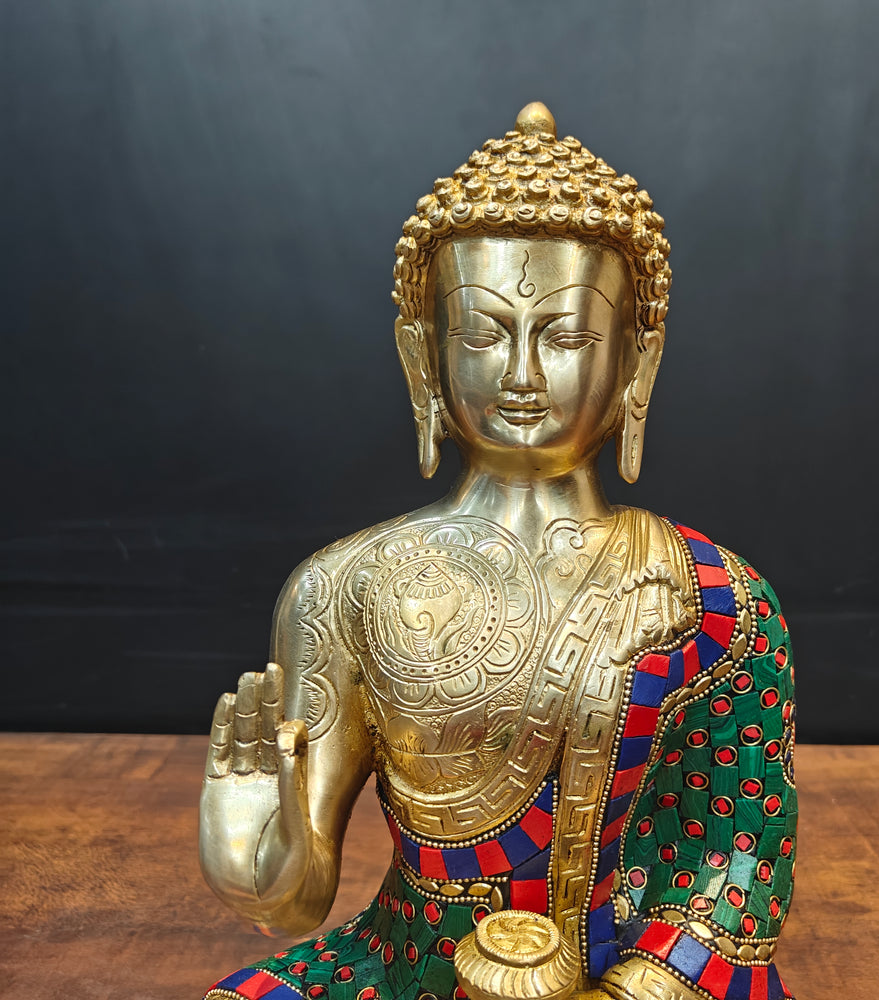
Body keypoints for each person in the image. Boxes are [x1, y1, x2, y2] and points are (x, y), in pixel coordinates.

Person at [200, 103, 798, 1000]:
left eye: (565, 336)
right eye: (482, 334)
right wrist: (254, 855)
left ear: (637, 363)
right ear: (423, 358)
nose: (522, 375)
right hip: (406, 969)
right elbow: (300, 900)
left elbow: (735, 875)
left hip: (627, 981)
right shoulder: (342, 588)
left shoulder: (716, 602)